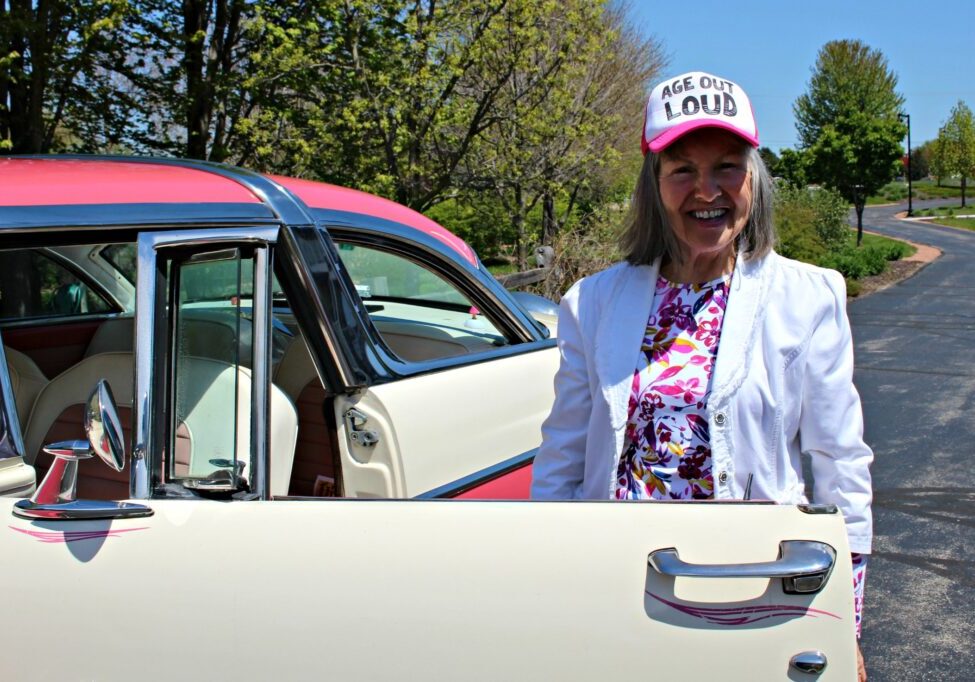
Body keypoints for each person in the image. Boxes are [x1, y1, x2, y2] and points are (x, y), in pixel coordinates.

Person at [530, 71, 872, 681]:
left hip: (753, 593)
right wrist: (543, 588)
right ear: (654, 184)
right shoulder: (592, 303)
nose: (706, 190)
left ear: (754, 178)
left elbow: (839, 463)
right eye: (682, 169)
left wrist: (844, 620)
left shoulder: (809, 297)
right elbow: (562, 458)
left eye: (727, 167)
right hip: (615, 590)